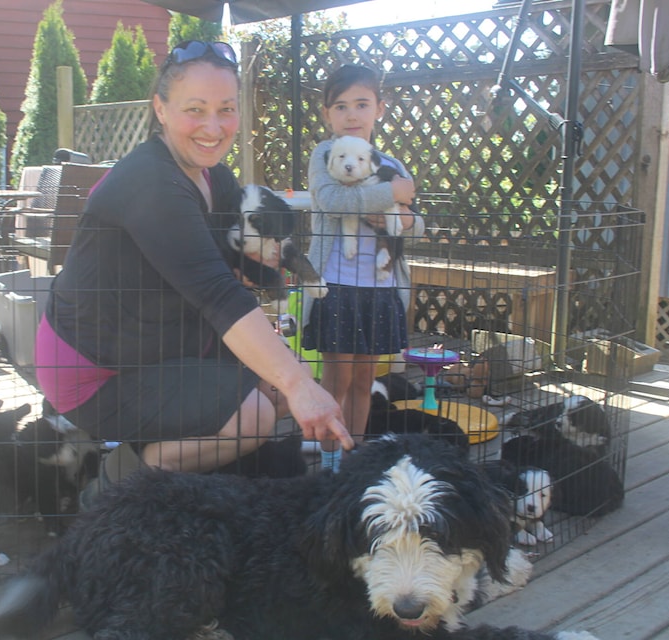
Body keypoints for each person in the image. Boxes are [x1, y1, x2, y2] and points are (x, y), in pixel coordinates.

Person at [35, 41, 353, 492]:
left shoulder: (210, 174)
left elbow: (231, 256)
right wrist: (300, 383)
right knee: (256, 412)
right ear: (160, 109)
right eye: (196, 109)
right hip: (92, 372)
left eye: (226, 109)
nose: (213, 126)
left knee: (269, 389)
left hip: (151, 345)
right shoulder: (150, 182)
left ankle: (159, 469)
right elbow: (218, 294)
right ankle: (124, 486)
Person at [301, 64, 425, 472]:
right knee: (334, 381)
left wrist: (397, 218)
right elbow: (332, 200)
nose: (351, 115)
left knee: (362, 380)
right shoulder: (324, 155)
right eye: (341, 106)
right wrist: (390, 195)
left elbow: (418, 224)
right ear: (327, 114)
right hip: (334, 284)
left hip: (379, 289)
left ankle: (353, 459)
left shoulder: (391, 163)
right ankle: (329, 459)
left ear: (379, 109)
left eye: (361, 104)